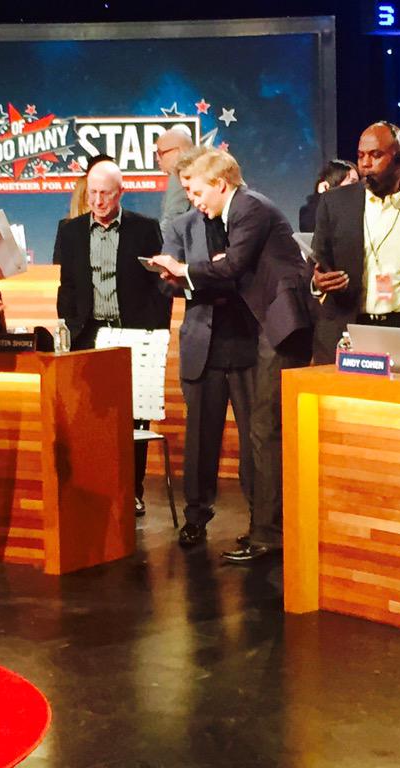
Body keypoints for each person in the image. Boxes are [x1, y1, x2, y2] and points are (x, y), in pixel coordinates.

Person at [150, 149, 314, 563]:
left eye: (196, 190)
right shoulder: (224, 213)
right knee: (257, 431)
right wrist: (201, 269)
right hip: (225, 341)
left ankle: (269, 531)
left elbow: (236, 264)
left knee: (262, 431)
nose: (193, 200)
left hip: (274, 329)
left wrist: (186, 269)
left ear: (220, 184)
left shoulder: (248, 209)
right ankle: (263, 531)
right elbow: (225, 269)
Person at [55, 159, 172, 517]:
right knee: (90, 415)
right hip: (89, 334)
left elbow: (159, 284)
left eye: (106, 193)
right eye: (93, 192)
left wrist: (155, 331)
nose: (98, 200)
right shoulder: (71, 231)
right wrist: (69, 324)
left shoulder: (145, 228)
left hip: (133, 335)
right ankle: (96, 489)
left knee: (135, 417)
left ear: (121, 193)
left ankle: (132, 490)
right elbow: (69, 285)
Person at [309, 122, 400, 367]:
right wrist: (317, 283)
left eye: (375, 155)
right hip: (347, 328)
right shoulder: (334, 203)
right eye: (360, 156)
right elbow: (316, 263)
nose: (365, 164)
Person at [161, 182, 257, 550]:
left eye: (197, 188)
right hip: (203, 344)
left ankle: (260, 518)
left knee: (256, 439)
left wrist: (194, 272)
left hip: (248, 341)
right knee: (200, 437)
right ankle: (196, 516)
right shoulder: (181, 226)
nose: (194, 198)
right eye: (188, 190)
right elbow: (166, 283)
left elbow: (249, 275)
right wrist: (198, 277)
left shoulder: (246, 221)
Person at [298, 159, 359, 232]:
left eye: (358, 183)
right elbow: (311, 229)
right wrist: (321, 197)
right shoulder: (310, 211)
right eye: (352, 182)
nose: (357, 187)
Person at [156, 125, 194, 230]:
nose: (157, 158)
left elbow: (173, 221)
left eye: (160, 153)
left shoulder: (181, 175)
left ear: (178, 151)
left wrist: (152, 242)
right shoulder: (197, 172)